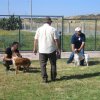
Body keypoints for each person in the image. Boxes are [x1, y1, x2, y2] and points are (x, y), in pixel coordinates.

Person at [33, 17, 60, 83]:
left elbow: (35, 40)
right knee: (53, 64)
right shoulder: (53, 29)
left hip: (42, 50)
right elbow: (56, 40)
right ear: (50, 22)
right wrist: (58, 49)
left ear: (44, 22)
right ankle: (53, 78)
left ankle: (45, 79)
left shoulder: (39, 29)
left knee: (42, 65)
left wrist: (35, 48)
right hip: (51, 50)